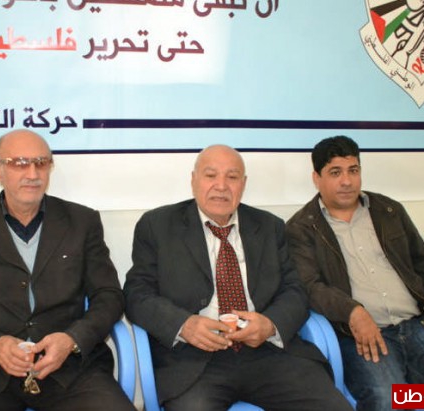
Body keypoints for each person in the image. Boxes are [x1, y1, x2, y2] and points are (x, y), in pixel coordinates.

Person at [123, 144, 352, 411]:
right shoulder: (158, 225)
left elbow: (295, 290)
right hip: (194, 361)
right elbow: (137, 293)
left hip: (269, 353)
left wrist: (270, 325)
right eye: (211, 175)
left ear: (243, 184)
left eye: (232, 177)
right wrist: (184, 325)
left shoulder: (270, 226)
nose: (221, 186)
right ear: (193, 180)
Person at [0, 129, 135, 411]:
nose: (32, 173)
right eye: (19, 163)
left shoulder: (82, 222)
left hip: (70, 371)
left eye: (41, 162)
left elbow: (109, 296)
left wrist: (72, 340)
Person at [286, 135, 424, 411]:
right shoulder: (301, 228)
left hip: (415, 325)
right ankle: (409, 394)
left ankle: (414, 394)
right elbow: (310, 286)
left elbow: (420, 262)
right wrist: (353, 312)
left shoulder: (389, 210)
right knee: (387, 400)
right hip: (359, 335)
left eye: (353, 170)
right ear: (317, 178)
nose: (347, 181)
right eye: (335, 172)